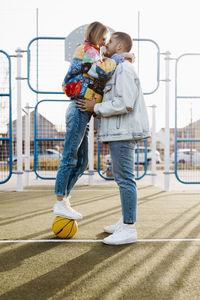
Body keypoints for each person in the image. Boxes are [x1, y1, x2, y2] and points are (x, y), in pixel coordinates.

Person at [75, 32, 150, 245]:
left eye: (110, 41)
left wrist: (94, 107)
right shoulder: (117, 68)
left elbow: (124, 103)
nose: (105, 43)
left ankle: (128, 228)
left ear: (119, 47)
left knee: (126, 179)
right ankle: (125, 221)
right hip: (119, 133)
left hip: (124, 133)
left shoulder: (124, 69)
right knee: (122, 178)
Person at [53, 22, 125, 220]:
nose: (106, 41)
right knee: (70, 156)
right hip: (78, 109)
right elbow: (101, 71)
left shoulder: (94, 52)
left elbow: (102, 66)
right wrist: (119, 57)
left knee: (83, 160)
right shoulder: (86, 49)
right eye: (105, 37)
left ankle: (65, 198)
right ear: (97, 34)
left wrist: (120, 56)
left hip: (84, 112)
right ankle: (60, 200)